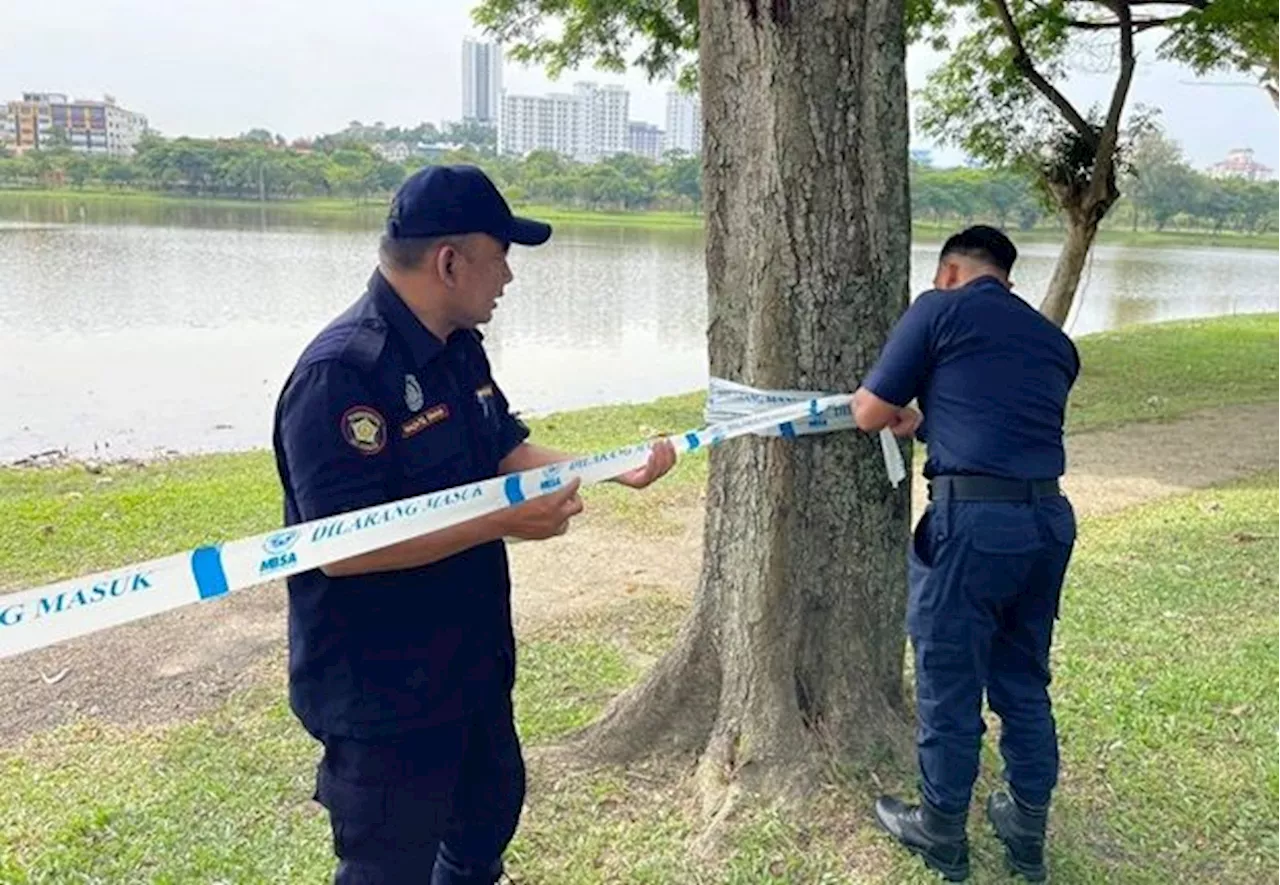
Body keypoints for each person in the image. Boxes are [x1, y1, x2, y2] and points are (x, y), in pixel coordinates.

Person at [271, 164, 676, 885]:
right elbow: (339, 546)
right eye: (501, 258)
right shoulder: (342, 374)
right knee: (387, 866)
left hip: (468, 663)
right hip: (385, 690)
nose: (509, 280)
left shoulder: (459, 346)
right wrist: (504, 517)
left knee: (487, 819)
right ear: (449, 261)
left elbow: (503, 449)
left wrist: (615, 465)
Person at [853, 225, 1080, 883]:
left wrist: (893, 408)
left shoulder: (938, 308)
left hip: (973, 525)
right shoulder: (1054, 341)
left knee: (950, 678)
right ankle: (1025, 828)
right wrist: (926, 420)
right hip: (1049, 521)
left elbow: (869, 412)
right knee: (1022, 678)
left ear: (950, 271)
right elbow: (1000, 419)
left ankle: (941, 829)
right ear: (1005, 279)